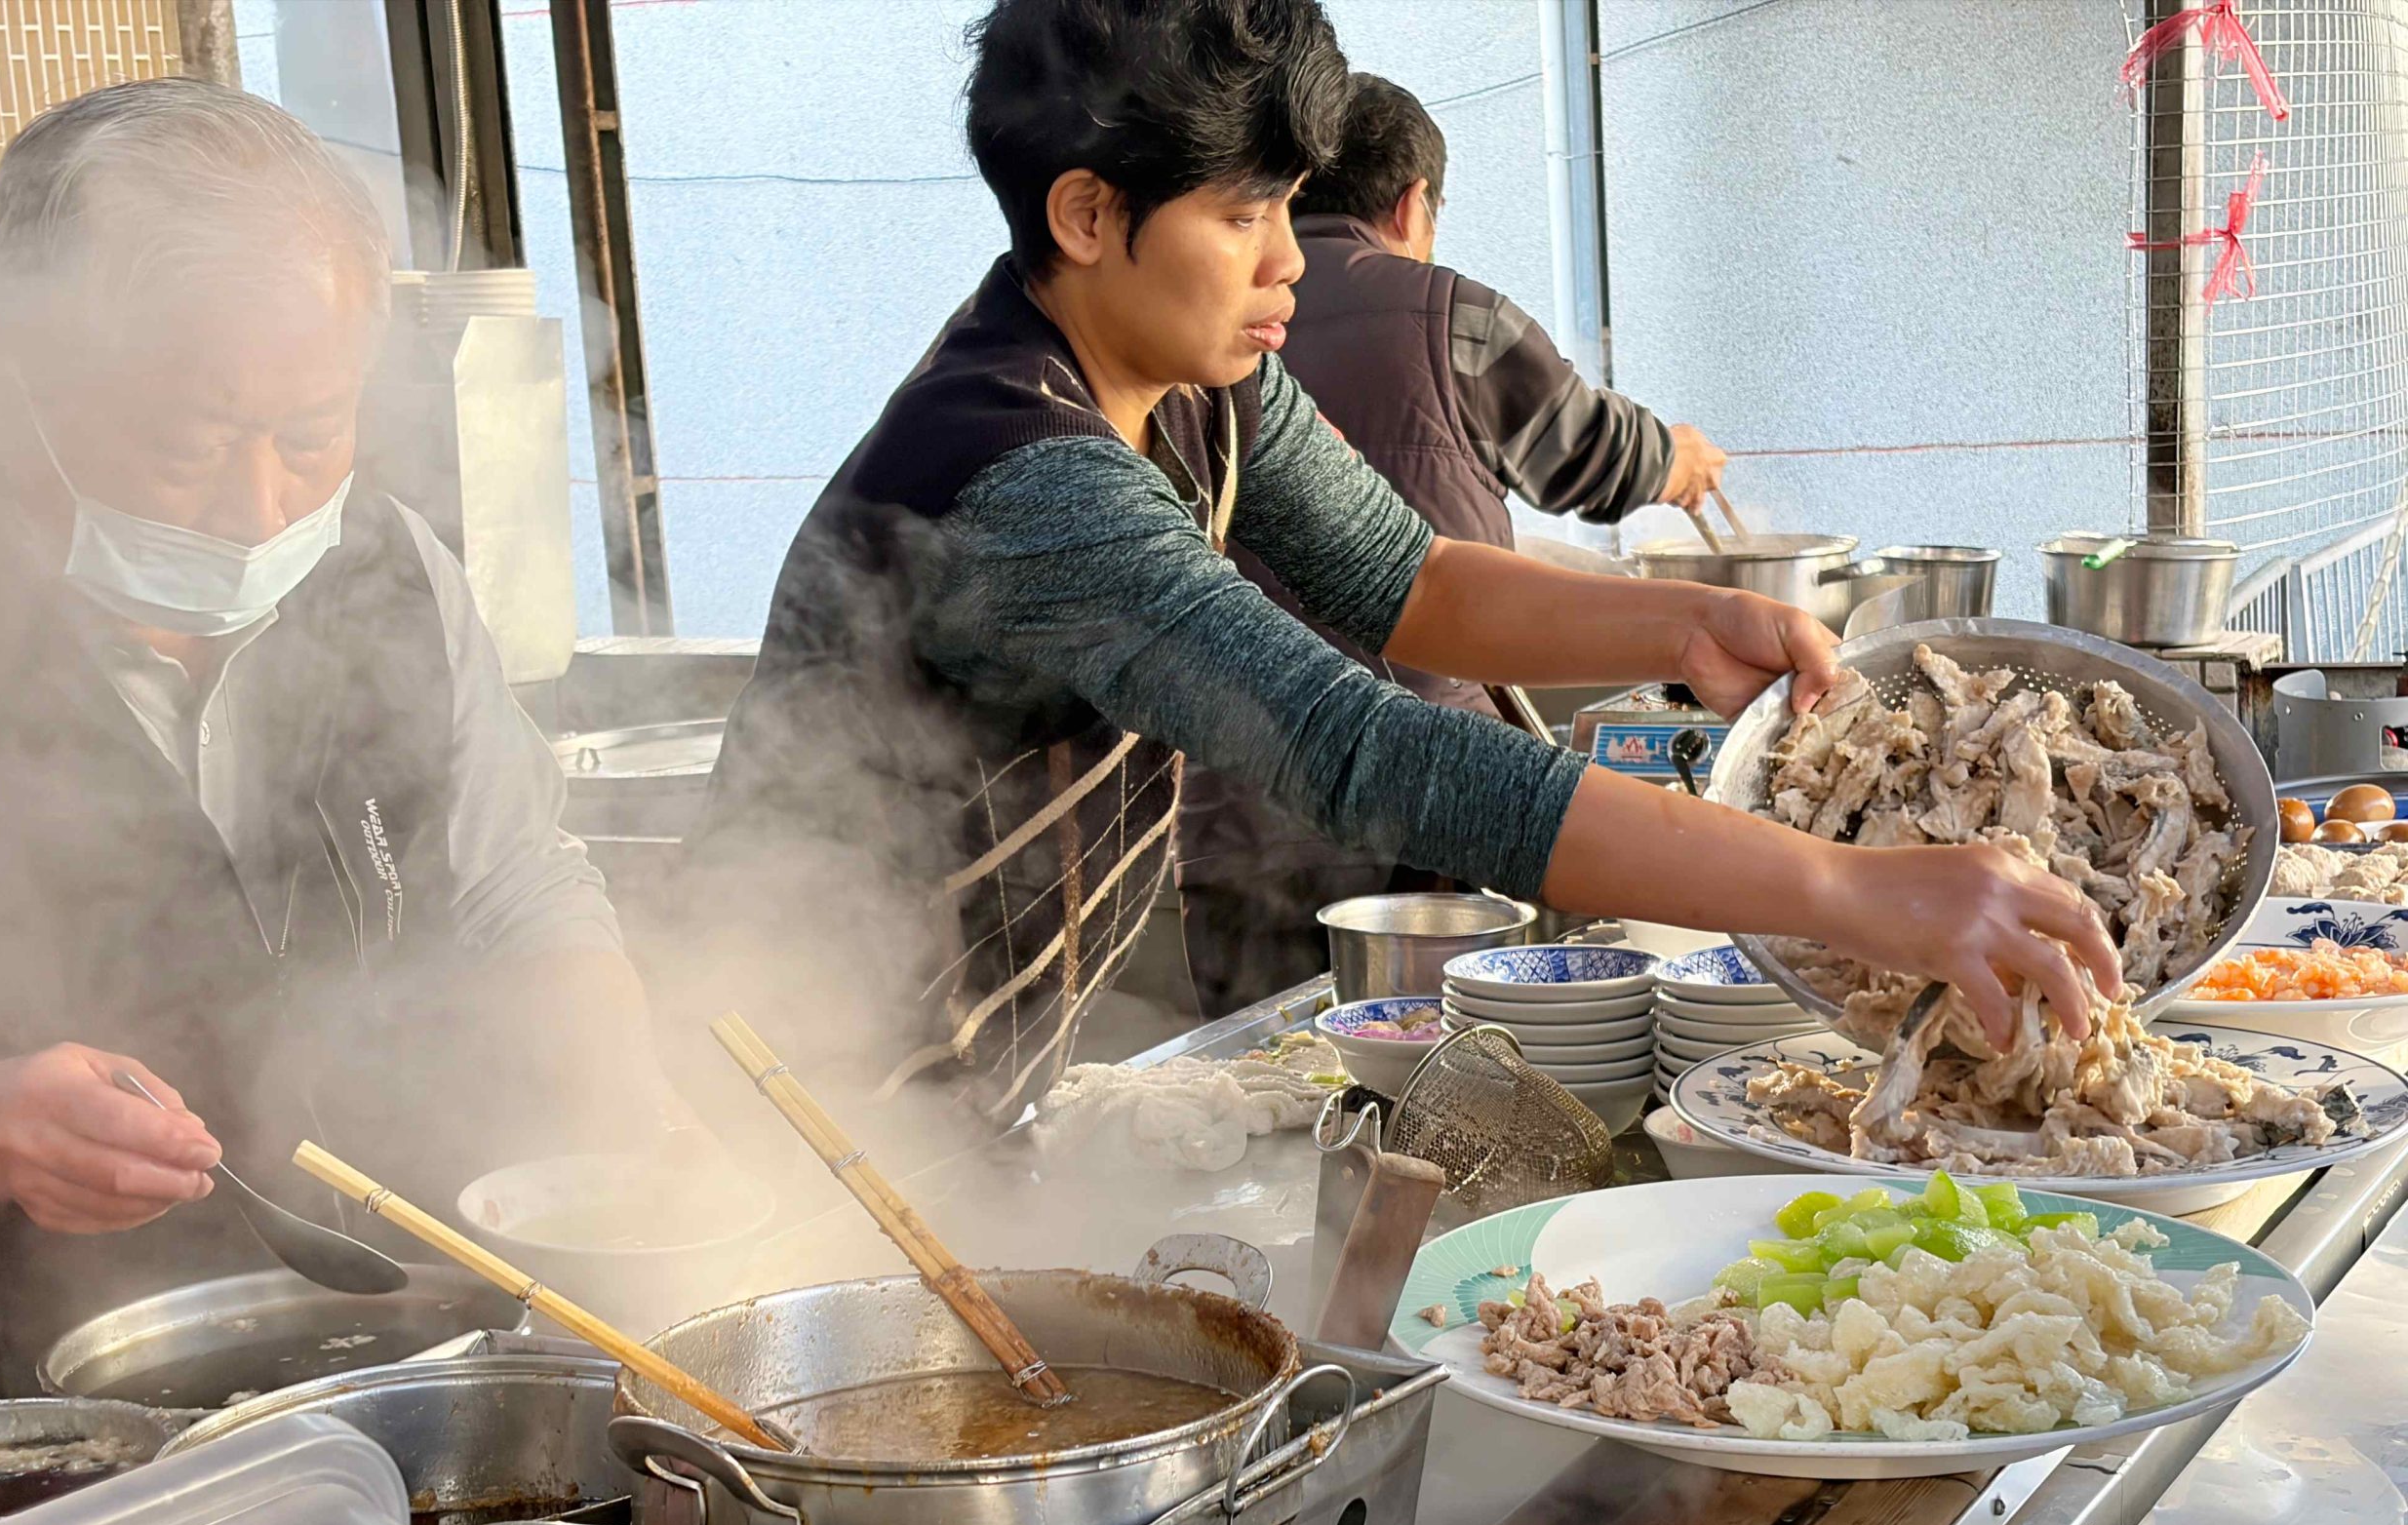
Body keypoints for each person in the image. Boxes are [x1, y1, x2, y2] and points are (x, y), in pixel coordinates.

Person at [689, 0, 2117, 1124]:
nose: (1288, 265)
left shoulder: (1193, 376)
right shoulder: (1023, 477)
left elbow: (1411, 581)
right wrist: (1859, 889)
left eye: (1290, 205)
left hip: (972, 1083)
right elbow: (1364, 747)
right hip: (810, 1104)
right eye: (1242, 216)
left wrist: (1681, 620)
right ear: (1084, 215)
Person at [0, 82, 677, 1399]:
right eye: (180, 447)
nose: (253, 509)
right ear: (21, 376)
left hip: (374, 1349)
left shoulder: (389, 572)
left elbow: (513, 887)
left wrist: (636, 1118)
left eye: (310, 436)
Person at [1178, 71, 1729, 1013]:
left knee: (1262, 1102)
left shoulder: (1198, 339)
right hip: (1431, 812)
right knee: (1455, 1090)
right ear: (1412, 204)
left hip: (1236, 817)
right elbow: (1588, 457)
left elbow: (1412, 575)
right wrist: (1675, 462)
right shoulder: (1444, 312)